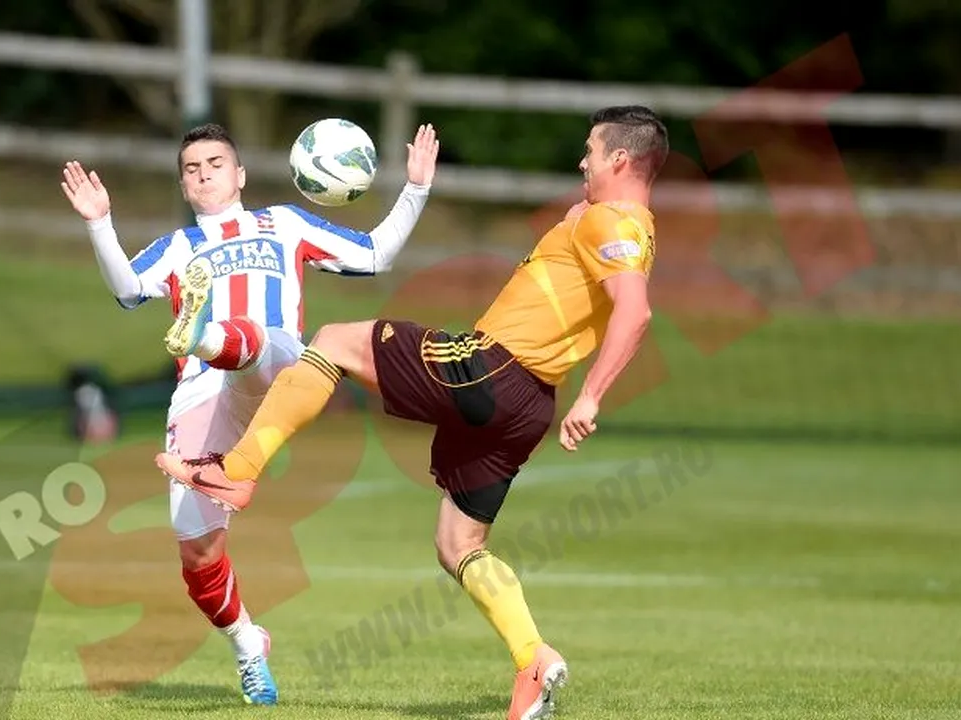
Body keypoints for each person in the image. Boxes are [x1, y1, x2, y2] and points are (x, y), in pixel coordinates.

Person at [157, 106, 669, 720]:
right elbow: (599, 261)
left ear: (618, 158)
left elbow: (634, 312)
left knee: (334, 341)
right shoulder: (621, 222)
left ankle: (238, 468)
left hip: (494, 369)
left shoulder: (613, 220)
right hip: (530, 403)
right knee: (458, 544)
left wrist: (595, 396)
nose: (582, 161)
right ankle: (533, 658)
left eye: (590, 150)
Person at [59, 121, 440, 705]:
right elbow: (129, 289)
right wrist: (99, 222)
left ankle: (203, 334)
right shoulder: (180, 246)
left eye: (215, 163)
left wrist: (415, 189)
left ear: (240, 175)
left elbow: (376, 254)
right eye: (191, 169)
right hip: (202, 394)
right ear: (184, 186)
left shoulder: (285, 223)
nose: (203, 173)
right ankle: (247, 643)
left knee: (262, 343)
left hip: (281, 367)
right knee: (198, 556)